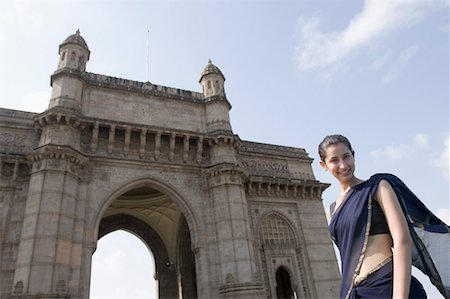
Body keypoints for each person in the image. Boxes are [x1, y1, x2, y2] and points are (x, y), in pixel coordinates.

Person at [318, 134, 449, 299]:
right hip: (355, 292)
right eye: (334, 160)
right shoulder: (332, 210)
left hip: (388, 285)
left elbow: (403, 241)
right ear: (324, 165)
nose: (343, 165)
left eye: (346, 157)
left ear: (354, 155)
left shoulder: (378, 186)